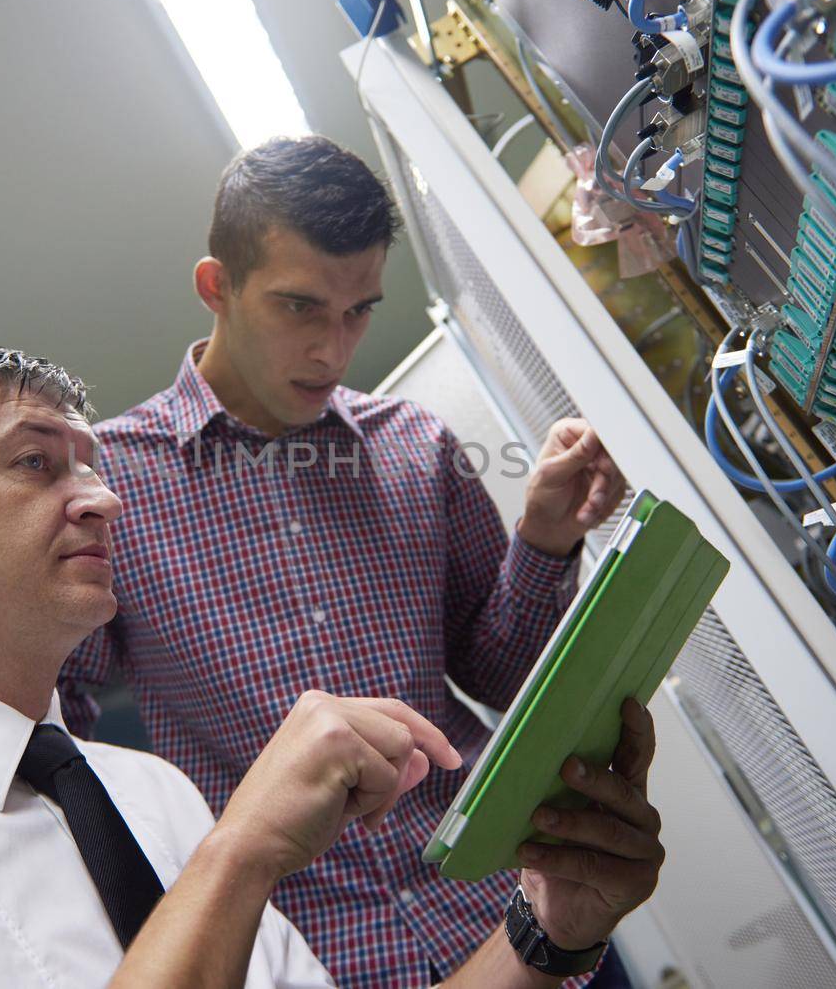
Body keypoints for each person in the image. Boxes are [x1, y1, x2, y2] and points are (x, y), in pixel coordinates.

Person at [0, 348, 665, 987]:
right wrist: (240, 858)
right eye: (36, 462)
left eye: (92, 464)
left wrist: (549, 932)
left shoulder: (155, 797)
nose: (100, 498)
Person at [56, 136, 631, 985]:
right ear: (218, 287)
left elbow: (505, 678)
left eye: (358, 309)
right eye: (300, 307)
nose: (334, 349)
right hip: (315, 959)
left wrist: (545, 539)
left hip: (519, 919)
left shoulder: (415, 446)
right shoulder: (110, 486)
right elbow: (58, 724)